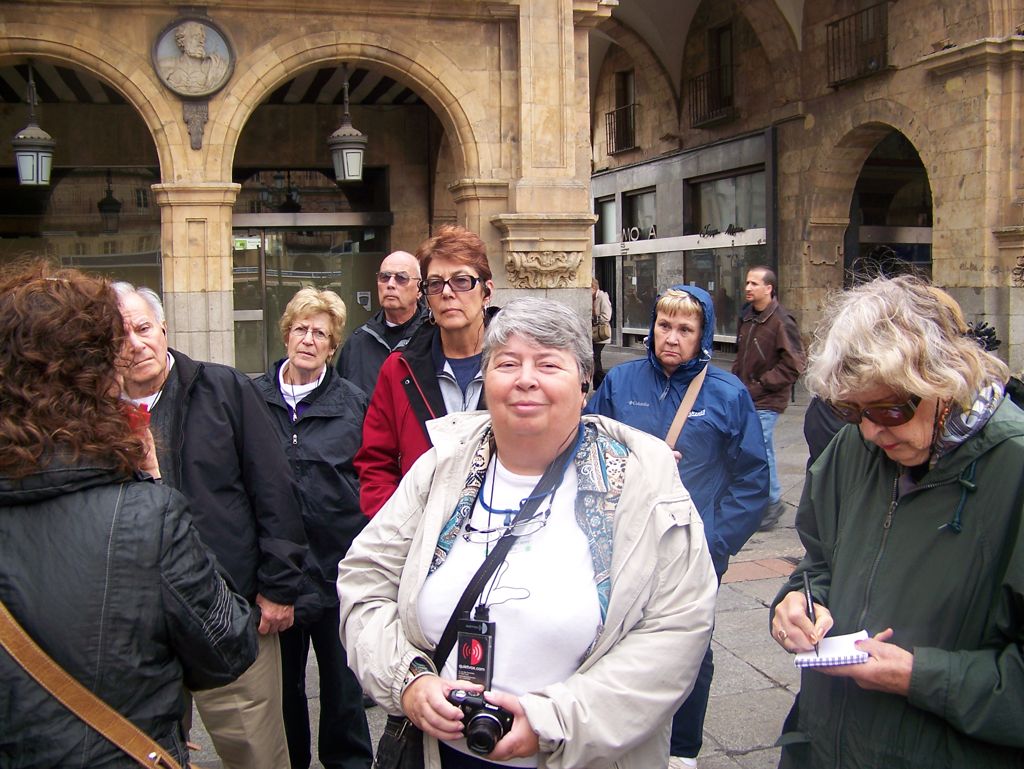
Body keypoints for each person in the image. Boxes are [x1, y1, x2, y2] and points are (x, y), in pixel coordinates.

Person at [338, 296, 717, 769]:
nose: (525, 378)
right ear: (487, 379)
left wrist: (551, 723)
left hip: (582, 755)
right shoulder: (441, 467)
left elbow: (677, 628)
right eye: (507, 362)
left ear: (584, 385)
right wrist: (407, 681)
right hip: (441, 754)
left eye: (548, 363)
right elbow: (365, 579)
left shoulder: (644, 481)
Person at [0, 264, 257, 766]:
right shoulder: (146, 514)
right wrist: (152, 483)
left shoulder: (222, 389)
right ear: (96, 377)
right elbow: (228, 646)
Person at [769, 276, 1024, 768]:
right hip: (824, 747)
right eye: (850, 410)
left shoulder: (1012, 470)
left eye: (888, 408)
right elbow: (819, 560)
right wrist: (797, 603)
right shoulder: (855, 447)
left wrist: (920, 676)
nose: (870, 430)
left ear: (945, 382)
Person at [114, 281, 307, 769]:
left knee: (256, 753)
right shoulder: (93, 414)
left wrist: (279, 586)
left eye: (142, 328)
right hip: (137, 627)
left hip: (231, 610)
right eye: (119, 336)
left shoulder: (221, 387)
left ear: (162, 327)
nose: (135, 344)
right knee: (148, 754)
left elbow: (274, 487)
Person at [585, 285, 767, 768]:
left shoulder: (728, 394)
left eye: (685, 329)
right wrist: (632, 464)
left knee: (691, 649)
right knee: (612, 638)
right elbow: (587, 447)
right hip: (621, 542)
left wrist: (712, 543)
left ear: (703, 335)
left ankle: (682, 750)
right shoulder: (621, 383)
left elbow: (753, 482)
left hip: (694, 547)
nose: (671, 337)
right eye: (664, 326)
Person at [257, 288, 373, 769]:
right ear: (287, 335)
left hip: (337, 570)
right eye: (301, 329)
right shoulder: (252, 399)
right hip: (275, 576)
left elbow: (370, 477)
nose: (309, 339)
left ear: (332, 346)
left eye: (320, 334)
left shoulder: (353, 403)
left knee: (344, 691)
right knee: (282, 694)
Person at [355, 225, 499, 518]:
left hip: (500, 533)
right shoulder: (399, 369)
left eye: (461, 281)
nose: (447, 293)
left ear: (486, 292)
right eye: (435, 283)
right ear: (426, 296)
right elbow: (375, 463)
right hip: (418, 534)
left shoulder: (517, 364)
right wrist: (397, 525)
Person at [732, 266, 805, 530]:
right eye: (747, 283)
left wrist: (761, 385)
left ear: (768, 288)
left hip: (766, 399)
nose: (748, 288)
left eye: (754, 283)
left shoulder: (782, 320)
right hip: (746, 394)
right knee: (749, 447)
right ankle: (758, 498)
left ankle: (772, 501)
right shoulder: (749, 317)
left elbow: (795, 364)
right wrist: (736, 383)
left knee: (762, 448)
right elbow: (742, 356)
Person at [336, 250, 427, 397]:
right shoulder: (357, 343)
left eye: (401, 278)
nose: (390, 284)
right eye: (384, 277)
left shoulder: (433, 336)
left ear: (419, 289)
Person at [590, 278, 612, 389]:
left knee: (595, 356)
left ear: (594, 288)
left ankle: (600, 381)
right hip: (593, 333)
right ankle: (599, 381)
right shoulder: (592, 298)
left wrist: (593, 319)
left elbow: (607, 316)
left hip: (601, 333)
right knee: (595, 356)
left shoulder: (602, 297)